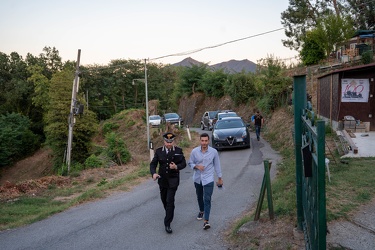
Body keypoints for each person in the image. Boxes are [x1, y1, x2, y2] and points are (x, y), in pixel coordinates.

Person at [150, 132, 186, 234]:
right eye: (167, 142)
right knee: (164, 200)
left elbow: (183, 163)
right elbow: (153, 164)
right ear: (164, 141)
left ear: (173, 141)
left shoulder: (178, 151)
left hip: (173, 181)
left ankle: (167, 223)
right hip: (162, 181)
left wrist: (176, 167)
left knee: (170, 201)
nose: (169, 144)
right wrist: (153, 173)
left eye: (170, 142)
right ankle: (169, 212)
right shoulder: (159, 151)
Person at [188, 133, 223, 230]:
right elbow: (190, 163)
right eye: (202, 141)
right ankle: (201, 210)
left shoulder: (214, 152)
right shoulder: (194, 151)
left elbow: (217, 165)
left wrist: (220, 177)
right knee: (199, 197)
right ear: (200, 141)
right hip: (198, 178)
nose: (204, 143)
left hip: (208, 178)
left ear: (208, 141)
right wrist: (196, 166)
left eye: (206, 141)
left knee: (207, 198)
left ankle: (206, 221)